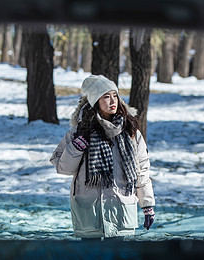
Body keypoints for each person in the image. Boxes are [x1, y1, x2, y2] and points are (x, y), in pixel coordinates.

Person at [50, 75, 155, 240]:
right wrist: (76, 148)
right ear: (95, 102)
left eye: (115, 95)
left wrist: (147, 205)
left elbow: (141, 169)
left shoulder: (131, 132)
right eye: (106, 97)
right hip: (89, 214)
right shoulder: (80, 132)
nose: (113, 101)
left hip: (122, 213)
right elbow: (63, 168)